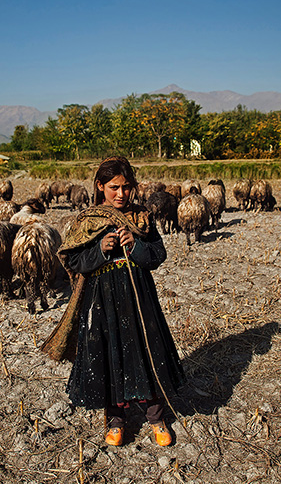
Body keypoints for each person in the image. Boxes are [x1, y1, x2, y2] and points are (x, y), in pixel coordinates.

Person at [43, 156, 185, 447]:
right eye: (113, 187)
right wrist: (99, 249)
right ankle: (116, 421)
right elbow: (73, 261)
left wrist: (135, 246)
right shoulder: (88, 221)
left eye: (127, 187)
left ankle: (156, 417)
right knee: (109, 356)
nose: (121, 194)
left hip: (139, 299)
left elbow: (158, 255)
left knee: (146, 352)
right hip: (102, 301)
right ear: (100, 186)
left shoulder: (141, 217)